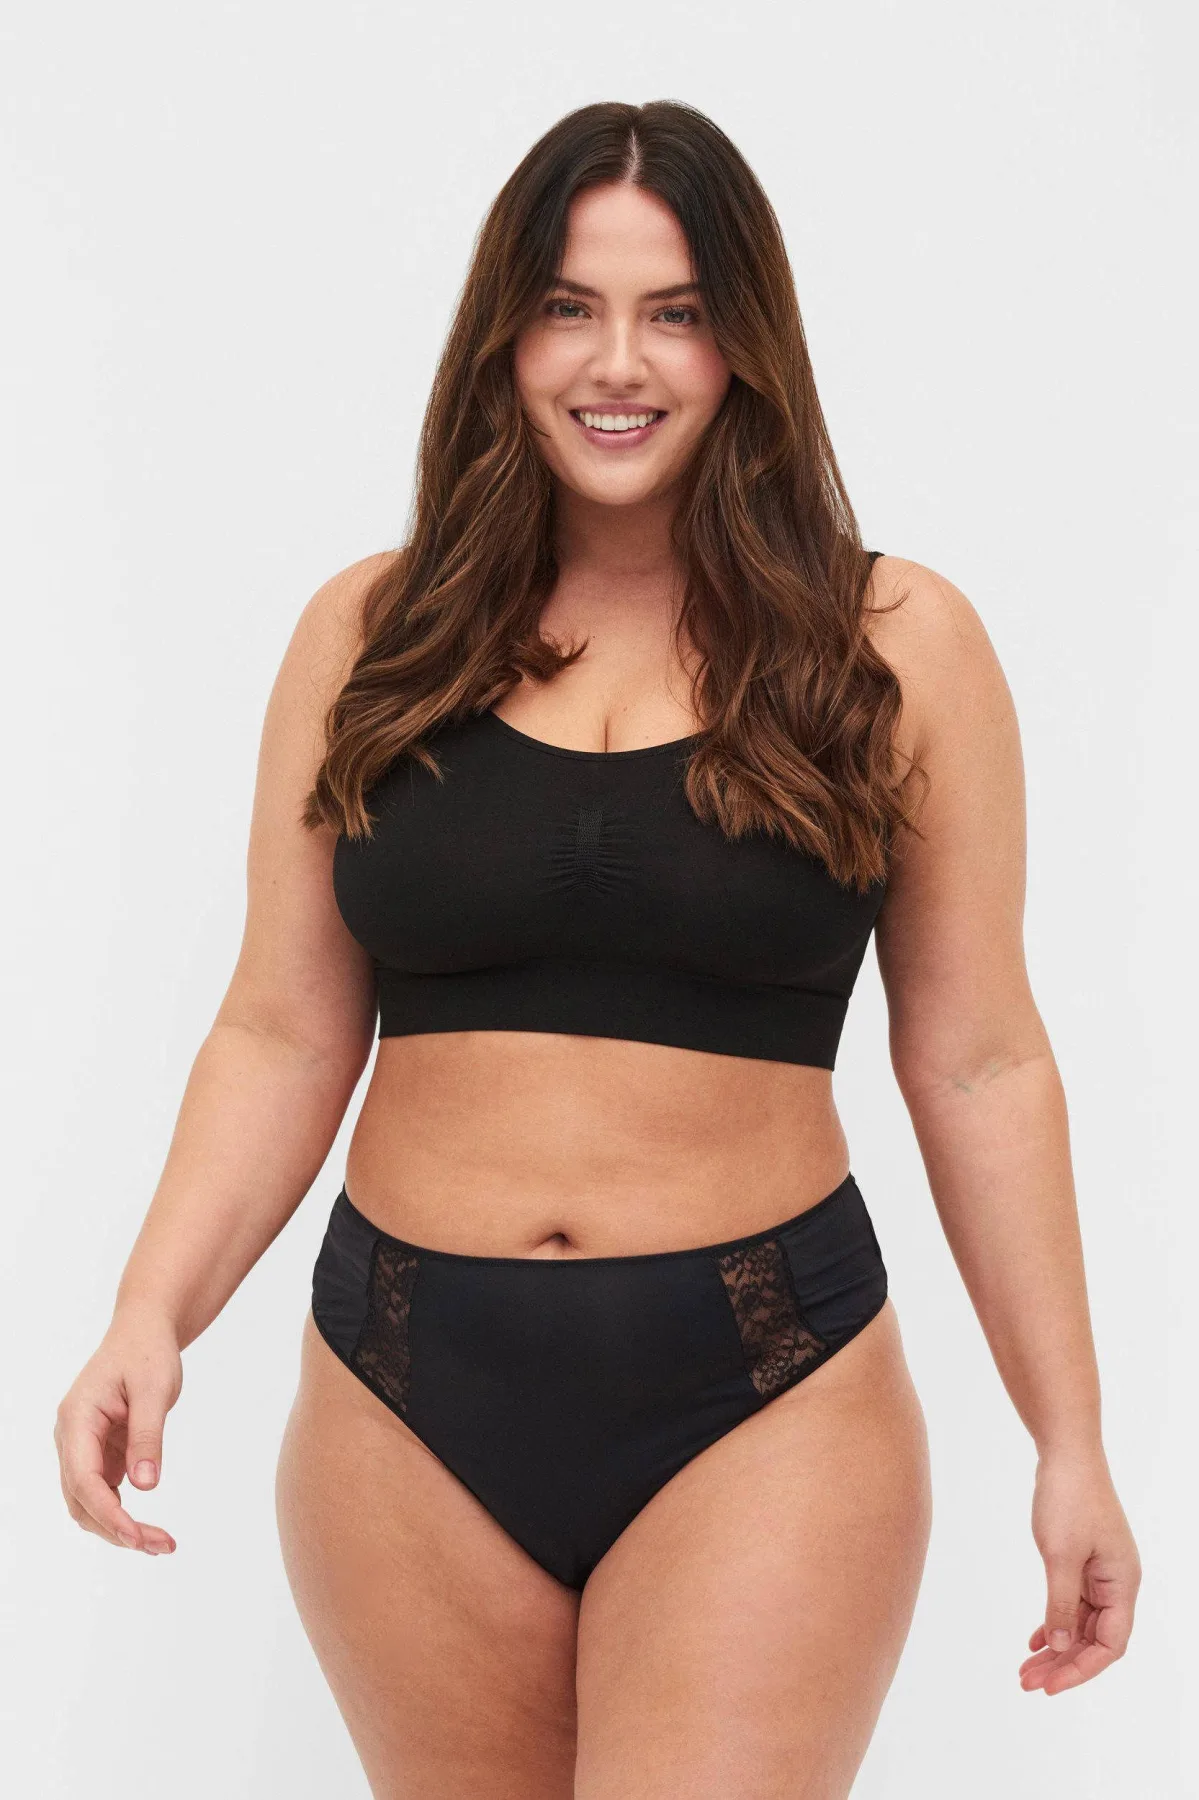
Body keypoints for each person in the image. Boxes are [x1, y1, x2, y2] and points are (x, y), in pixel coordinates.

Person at [54, 99, 1141, 1798]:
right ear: (504, 334)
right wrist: (151, 1308)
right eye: (568, 307)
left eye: (673, 311)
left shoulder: (893, 645)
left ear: (744, 343)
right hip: (401, 1387)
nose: (614, 363)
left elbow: (981, 1060)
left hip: (764, 1389)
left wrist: (1067, 1440)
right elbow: (278, 1031)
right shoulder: (371, 633)